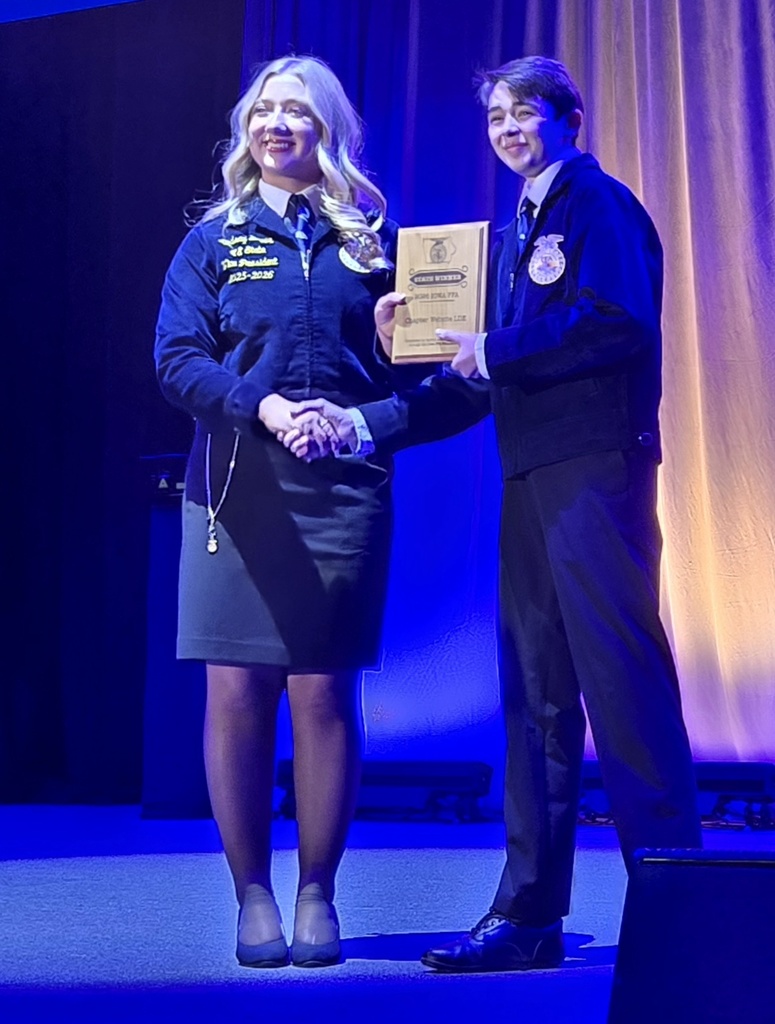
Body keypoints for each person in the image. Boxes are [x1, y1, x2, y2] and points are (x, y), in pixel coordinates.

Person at [315, 54, 703, 973]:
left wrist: (494, 345)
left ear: (568, 118)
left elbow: (617, 323)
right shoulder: (508, 232)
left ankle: (683, 907)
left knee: (623, 686)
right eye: (495, 118)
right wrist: (380, 399)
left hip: (594, 472)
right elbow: (476, 378)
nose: (507, 131)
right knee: (532, 696)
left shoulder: (594, 203)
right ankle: (528, 913)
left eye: (524, 113)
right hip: (531, 476)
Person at [154, 55, 483, 969]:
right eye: (262, 108)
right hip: (231, 492)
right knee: (234, 693)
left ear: (327, 127)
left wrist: (374, 400)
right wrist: (259, 405)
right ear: (245, 127)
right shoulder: (212, 239)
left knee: (325, 693)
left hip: (342, 491)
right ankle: (252, 893)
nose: (275, 122)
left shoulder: (376, 243)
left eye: (295, 108)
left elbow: (455, 388)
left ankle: (316, 895)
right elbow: (176, 358)